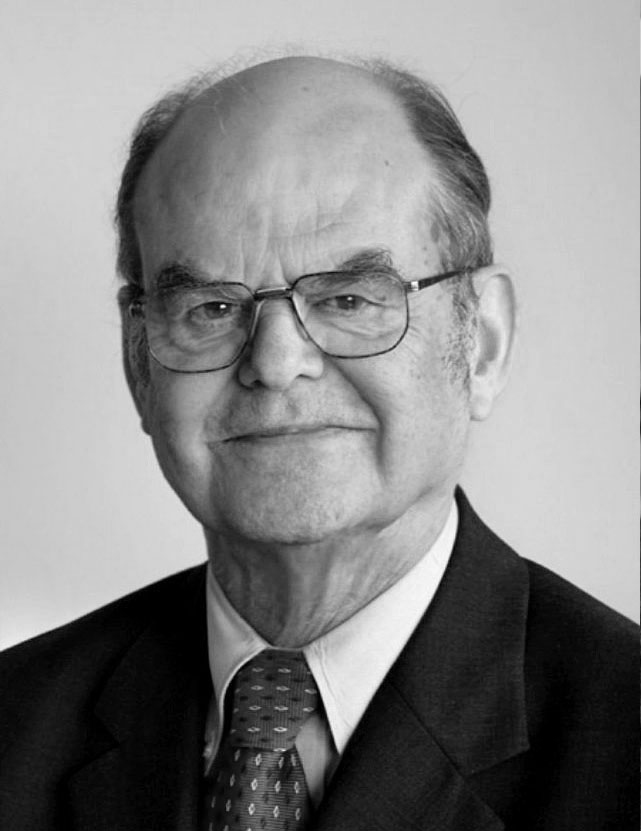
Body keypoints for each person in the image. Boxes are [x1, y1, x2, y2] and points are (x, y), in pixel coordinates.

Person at [0, 55, 637, 831]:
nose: (274, 362)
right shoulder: (16, 723)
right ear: (140, 364)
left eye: (348, 298)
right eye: (209, 308)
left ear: (482, 342)